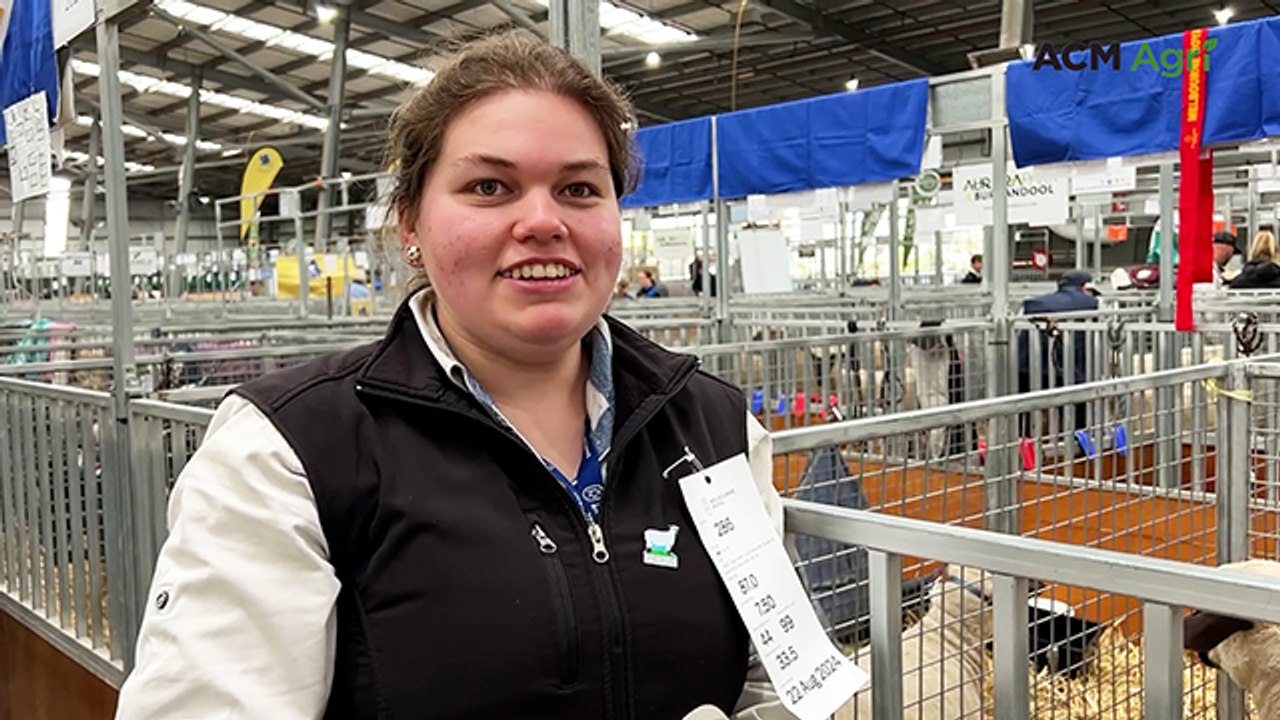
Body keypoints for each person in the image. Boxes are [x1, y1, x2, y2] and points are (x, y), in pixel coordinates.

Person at [114, 32, 788, 720]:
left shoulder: (713, 426)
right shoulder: (290, 455)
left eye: (579, 188)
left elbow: (778, 680)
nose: (542, 221)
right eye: (489, 187)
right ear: (410, 220)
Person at [1016, 271, 1099, 436]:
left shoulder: (1032, 303)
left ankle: (1023, 446)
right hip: (1069, 369)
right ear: (1085, 287)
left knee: (1022, 409)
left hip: (1028, 367)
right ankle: (1078, 445)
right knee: (1076, 411)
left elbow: (1018, 329)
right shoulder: (1093, 304)